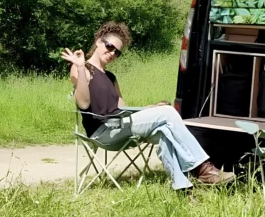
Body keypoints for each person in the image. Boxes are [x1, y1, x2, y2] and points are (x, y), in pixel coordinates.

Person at [61, 21, 235, 190]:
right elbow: (83, 103)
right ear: (99, 42)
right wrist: (80, 66)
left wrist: (152, 108)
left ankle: (183, 188)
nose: (112, 53)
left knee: (164, 132)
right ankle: (203, 169)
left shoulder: (111, 77)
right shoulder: (82, 69)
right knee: (167, 113)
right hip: (103, 132)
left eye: (118, 52)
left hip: (120, 128)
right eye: (109, 46)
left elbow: (123, 109)